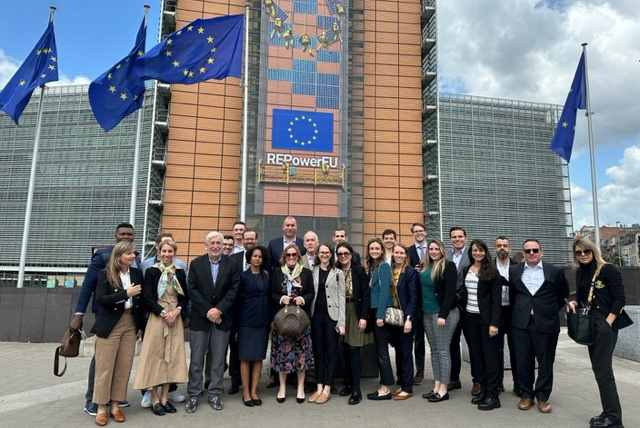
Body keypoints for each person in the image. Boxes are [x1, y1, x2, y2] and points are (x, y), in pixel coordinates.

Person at [70, 222, 137, 416]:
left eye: (129, 235)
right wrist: (78, 314)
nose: (126, 237)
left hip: (129, 319)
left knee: (122, 360)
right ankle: (93, 399)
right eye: (122, 234)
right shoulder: (102, 258)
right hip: (107, 316)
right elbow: (88, 287)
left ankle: (115, 398)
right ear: (115, 236)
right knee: (101, 360)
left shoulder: (135, 260)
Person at [567, 238, 633, 428]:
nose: (582, 255)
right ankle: (608, 412)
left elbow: (620, 298)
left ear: (593, 251)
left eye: (586, 251)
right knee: (599, 371)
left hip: (604, 324)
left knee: (604, 372)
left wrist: (608, 322)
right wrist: (574, 303)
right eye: (578, 253)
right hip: (590, 324)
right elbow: (582, 299)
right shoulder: (580, 271)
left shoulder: (607, 269)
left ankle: (614, 419)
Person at [509, 238, 568, 414]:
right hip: (521, 324)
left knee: (545, 362)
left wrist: (545, 311)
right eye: (528, 251)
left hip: (546, 323)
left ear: (541, 252)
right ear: (523, 254)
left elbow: (562, 295)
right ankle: (527, 395)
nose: (531, 253)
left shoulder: (555, 271)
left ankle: (543, 397)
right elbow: (513, 296)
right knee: (523, 361)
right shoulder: (514, 270)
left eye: (535, 250)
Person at [185, 232, 240, 413]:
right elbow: (192, 289)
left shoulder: (232, 264)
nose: (216, 246)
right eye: (212, 243)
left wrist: (219, 310)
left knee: (217, 360)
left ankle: (214, 393)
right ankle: (193, 395)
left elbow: (233, 290)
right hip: (200, 319)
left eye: (219, 243)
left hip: (222, 319)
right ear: (206, 244)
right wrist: (208, 310)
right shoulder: (196, 264)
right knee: (196, 359)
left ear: (223, 245)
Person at [91, 240, 145, 426]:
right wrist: (125, 293)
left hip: (130, 323)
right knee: (104, 367)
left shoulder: (137, 273)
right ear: (119, 255)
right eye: (129, 253)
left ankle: (115, 405)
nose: (133, 256)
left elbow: (142, 301)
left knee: (123, 366)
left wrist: (140, 325)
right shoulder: (105, 274)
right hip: (110, 324)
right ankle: (100, 408)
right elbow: (100, 300)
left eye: (134, 253)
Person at [134, 239, 189, 416]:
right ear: (159, 252)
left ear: (174, 253)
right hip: (158, 317)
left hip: (175, 317)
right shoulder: (151, 272)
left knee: (171, 357)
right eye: (163, 251)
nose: (166, 254)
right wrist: (165, 313)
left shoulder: (178, 272)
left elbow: (185, 296)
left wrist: (177, 311)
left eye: (170, 251)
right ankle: (154, 398)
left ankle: (165, 398)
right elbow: (147, 298)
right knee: (154, 355)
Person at [459, 240, 502, 410]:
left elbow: (496, 300)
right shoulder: (466, 270)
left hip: (487, 321)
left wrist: (494, 323)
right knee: (476, 357)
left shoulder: (492, 271)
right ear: (471, 252)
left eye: (481, 250)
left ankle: (493, 395)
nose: (478, 253)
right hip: (470, 319)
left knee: (490, 358)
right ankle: (483, 391)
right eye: (475, 250)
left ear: (485, 252)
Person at [270, 244, 315, 403]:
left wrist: (302, 299)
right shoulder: (277, 273)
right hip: (282, 321)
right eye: (288, 255)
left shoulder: (306, 273)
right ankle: (282, 387)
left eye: (294, 255)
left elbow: (311, 293)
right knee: (282, 355)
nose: (291, 257)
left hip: (300, 320)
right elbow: (272, 293)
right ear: (284, 257)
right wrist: (281, 298)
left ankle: (300, 387)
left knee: (301, 355)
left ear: (298, 257)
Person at [420, 239, 459, 403]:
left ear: (442, 250)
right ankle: (436, 385)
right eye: (431, 249)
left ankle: (444, 388)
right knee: (434, 350)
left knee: (443, 351)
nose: (433, 251)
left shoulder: (447, 266)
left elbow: (450, 292)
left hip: (443, 313)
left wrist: (443, 315)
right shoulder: (425, 266)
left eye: (436, 249)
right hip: (427, 313)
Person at [308, 243, 345, 404]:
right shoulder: (312, 271)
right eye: (321, 252)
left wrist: (341, 322)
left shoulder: (338, 273)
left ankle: (328, 388)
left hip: (332, 317)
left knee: (331, 353)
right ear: (318, 254)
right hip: (316, 316)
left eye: (327, 252)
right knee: (318, 353)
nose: (324, 255)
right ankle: (319, 387)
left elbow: (342, 298)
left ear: (331, 255)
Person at [335, 242, 372, 405]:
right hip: (339, 312)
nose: (343, 256)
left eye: (346, 253)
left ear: (351, 254)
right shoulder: (334, 270)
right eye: (340, 253)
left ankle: (357, 390)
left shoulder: (358, 270)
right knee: (344, 349)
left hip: (355, 311)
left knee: (353, 350)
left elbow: (366, 294)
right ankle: (349, 384)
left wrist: (364, 317)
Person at [236, 246, 271, 407]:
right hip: (246, 321)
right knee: (245, 356)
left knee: (258, 357)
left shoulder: (266, 276)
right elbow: (238, 300)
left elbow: (269, 298)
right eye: (255, 256)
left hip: (263, 321)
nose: (257, 258)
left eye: (260, 257)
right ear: (249, 258)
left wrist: (270, 320)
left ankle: (254, 390)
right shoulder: (243, 276)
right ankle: (245, 392)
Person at [445, 226, 477, 394]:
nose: (457, 239)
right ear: (450, 239)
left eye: (460, 236)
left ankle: (477, 380)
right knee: (452, 343)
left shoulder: (472, 254)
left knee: (472, 343)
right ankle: (454, 378)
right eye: (453, 237)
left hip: (469, 305)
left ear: (465, 237)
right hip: (452, 306)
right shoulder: (446, 255)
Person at [387, 244, 418, 401]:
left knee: (406, 352)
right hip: (393, 318)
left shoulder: (410, 272)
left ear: (406, 255)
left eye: (401, 253)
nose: (398, 255)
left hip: (405, 318)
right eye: (396, 252)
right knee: (399, 352)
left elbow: (413, 297)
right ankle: (402, 382)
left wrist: (409, 318)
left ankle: (408, 387)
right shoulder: (390, 271)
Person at [366, 238, 394, 401]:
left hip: (379, 311)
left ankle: (386, 388)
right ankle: (384, 384)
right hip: (374, 310)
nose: (374, 251)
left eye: (377, 248)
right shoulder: (373, 266)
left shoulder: (384, 266)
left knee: (382, 352)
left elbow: (384, 292)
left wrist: (380, 316)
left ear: (382, 250)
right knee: (379, 350)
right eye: (372, 248)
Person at [494, 236, 520, 396]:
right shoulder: (488, 266)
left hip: (513, 312)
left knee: (516, 349)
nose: (502, 248)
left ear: (509, 248)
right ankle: (497, 383)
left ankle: (519, 384)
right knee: (496, 350)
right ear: (495, 248)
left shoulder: (518, 267)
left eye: (505, 246)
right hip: (496, 313)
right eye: (499, 246)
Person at [408, 222, 427, 385]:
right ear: (413, 234)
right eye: (416, 231)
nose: (419, 233)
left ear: (425, 232)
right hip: (416, 300)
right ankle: (419, 370)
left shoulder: (434, 248)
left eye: (421, 231)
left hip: (431, 297)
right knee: (418, 338)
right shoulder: (409, 251)